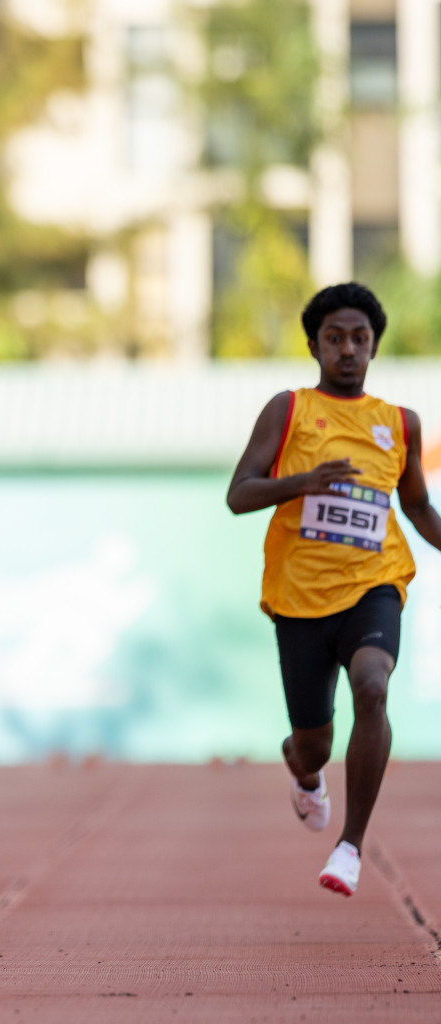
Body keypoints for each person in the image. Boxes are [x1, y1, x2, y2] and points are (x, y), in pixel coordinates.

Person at [227, 282, 441, 897]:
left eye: (360, 339)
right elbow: (239, 495)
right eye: (334, 338)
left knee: (373, 686)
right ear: (315, 345)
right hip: (300, 595)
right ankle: (305, 773)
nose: (347, 350)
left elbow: (419, 506)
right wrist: (304, 482)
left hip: (374, 582)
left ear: (374, 347)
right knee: (313, 744)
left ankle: (350, 846)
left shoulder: (400, 425)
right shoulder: (288, 409)